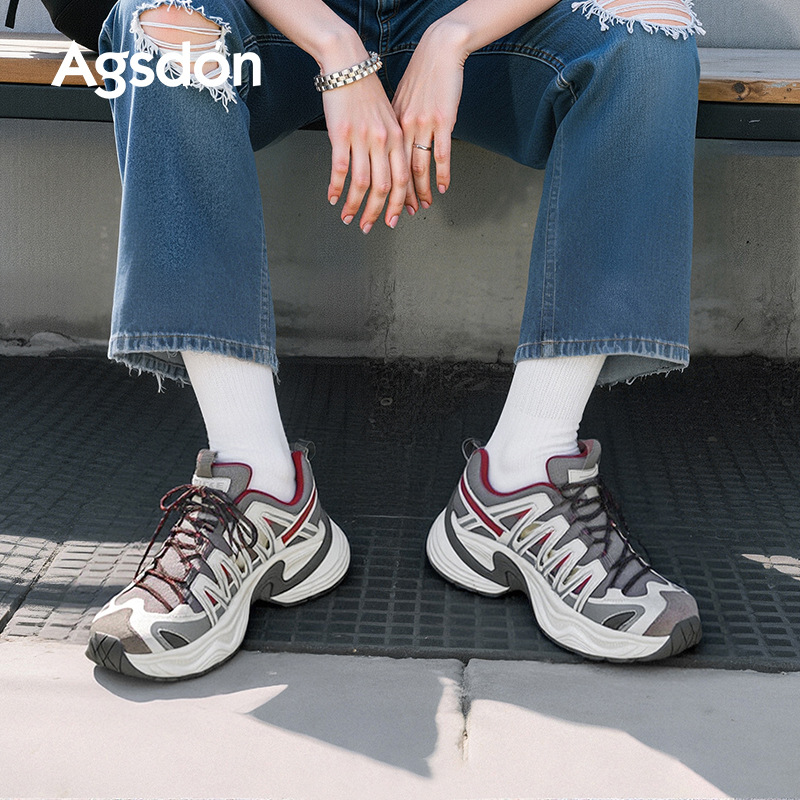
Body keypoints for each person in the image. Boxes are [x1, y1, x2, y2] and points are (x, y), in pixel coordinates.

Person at [85, 0, 705, 680]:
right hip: (288, 23)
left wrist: (454, 35)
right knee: (162, 28)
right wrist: (334, 44)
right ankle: (260, 489)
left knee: (651, 39)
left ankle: (523, 475)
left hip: (483, 22)